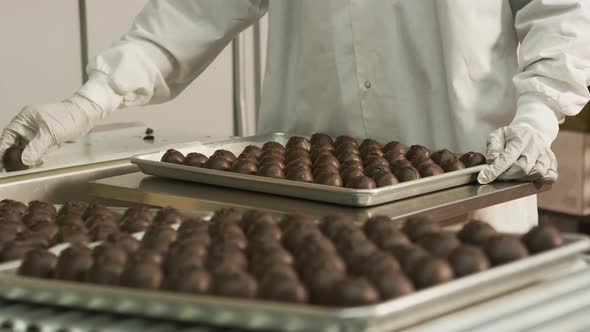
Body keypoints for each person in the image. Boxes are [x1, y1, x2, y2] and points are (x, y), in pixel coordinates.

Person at [1, 1, 589, 232]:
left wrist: (538, 116)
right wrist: (92, 99)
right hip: (305, 195)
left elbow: (564, 12)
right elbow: (190, 14)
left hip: (468, 189)